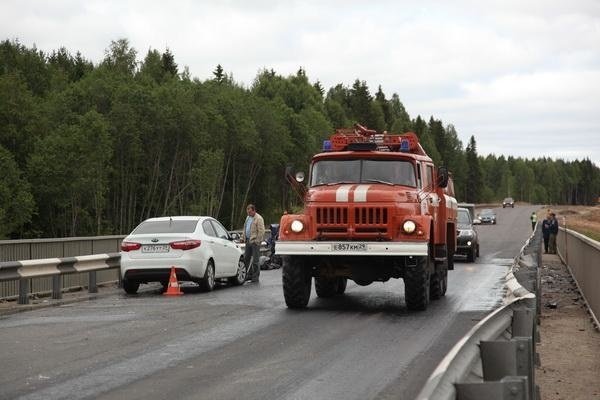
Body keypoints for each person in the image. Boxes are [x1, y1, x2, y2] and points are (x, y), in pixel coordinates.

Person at [241, 204, 265, 282]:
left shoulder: (259, 218)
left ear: (254, 210)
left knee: (255, 260)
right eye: (247, 212)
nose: (248, 213)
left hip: (255, 242)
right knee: (246, 258)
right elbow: (245, 228)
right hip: (248, 240)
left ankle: (255, 277)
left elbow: (261, 231)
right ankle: (249, 275)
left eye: (250, 212)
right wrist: (243, 237)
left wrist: (257, 241)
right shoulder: (248, 218)